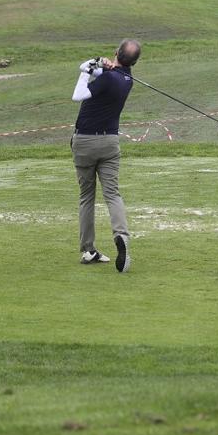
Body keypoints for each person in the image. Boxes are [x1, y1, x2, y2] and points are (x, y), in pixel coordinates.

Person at [70, 39, 140, 273]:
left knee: (87, 196)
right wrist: (96, 64)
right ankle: (121, 235)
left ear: (116, 53)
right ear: (134, 62)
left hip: (85, 142)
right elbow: (103, 72)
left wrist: (85, 72)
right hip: (110, 143)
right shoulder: (126, 80)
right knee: (112, 194)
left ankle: (88, 250)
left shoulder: (107, 78)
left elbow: (78, 95)